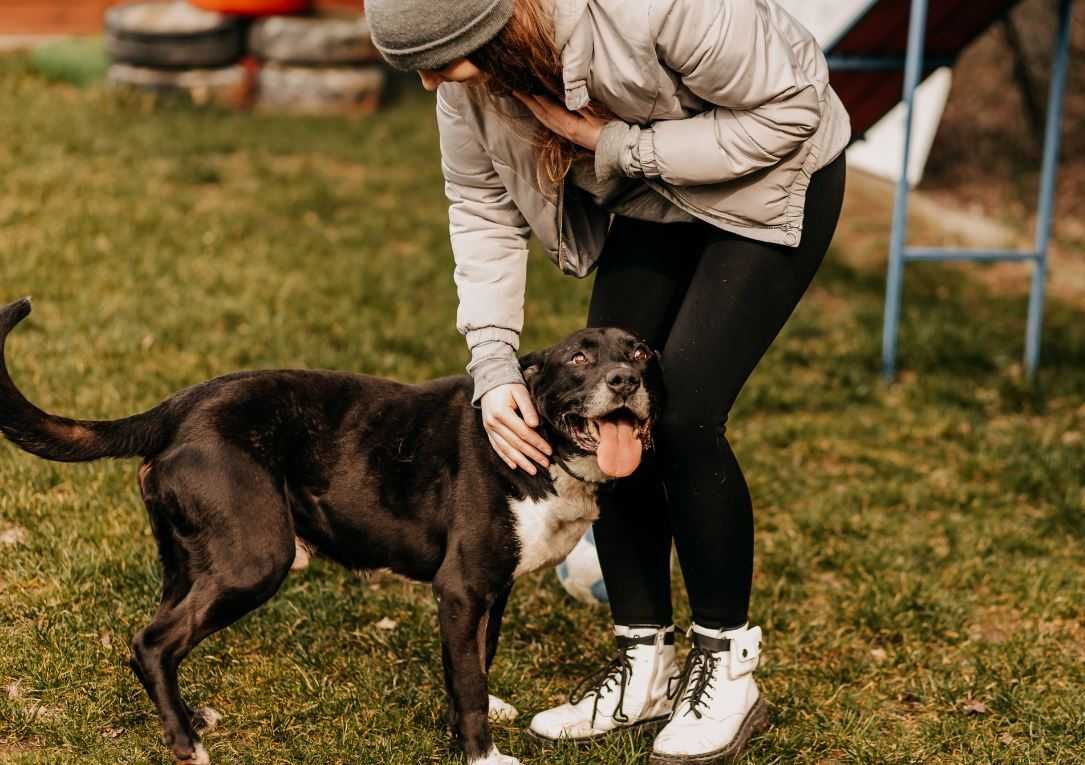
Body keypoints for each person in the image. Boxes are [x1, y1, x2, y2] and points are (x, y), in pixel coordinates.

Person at [366, 0, 850, 762]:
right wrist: (492, 362)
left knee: (681, 410)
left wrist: (615, 144)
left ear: (497, 24)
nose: (431, 84)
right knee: (608, 414)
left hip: (769, 175)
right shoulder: (469, 85)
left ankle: (726, 666)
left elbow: (790, 109)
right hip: (654, 193)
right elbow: (480, 203)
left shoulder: (652, 7)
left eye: (441, 59)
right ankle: (642, 660)